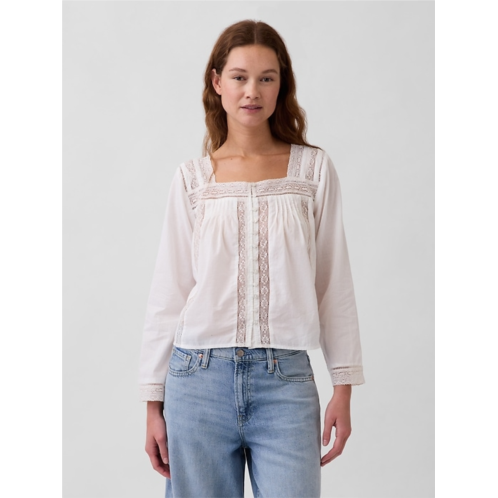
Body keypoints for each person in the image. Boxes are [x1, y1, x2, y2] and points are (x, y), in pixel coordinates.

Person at [139, 19, 365, 498]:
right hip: (196, 382)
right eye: (239, 77)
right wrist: (153, 404)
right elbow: (169, 292)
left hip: (286, 382)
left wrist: (342, 388)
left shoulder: (312, 171)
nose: (252, 91)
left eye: (267, 77)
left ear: (281, 85)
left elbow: (333, 283)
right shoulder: (193, 180)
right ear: (217, 82)